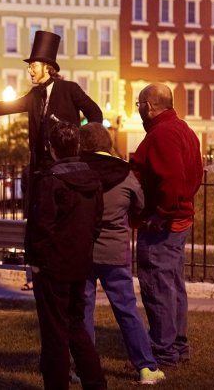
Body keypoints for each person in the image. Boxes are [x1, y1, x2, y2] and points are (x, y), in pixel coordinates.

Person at [0, 30, 103, 202]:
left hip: (67, 164)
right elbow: (10, 105)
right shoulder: (35, 94)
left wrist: (84, 143)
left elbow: (95, 112)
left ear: (47, 68)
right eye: (29, 67)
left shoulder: (69, 89)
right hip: (42, 166)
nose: (29, 70)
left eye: (33, 66)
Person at [79, 123, 165, 385]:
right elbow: (139, 205)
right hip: (115, 251)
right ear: (107, 143)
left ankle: (84, 366)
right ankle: (146, 367)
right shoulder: (125, 174)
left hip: (82, 252)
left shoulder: (76, 171)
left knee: (83, 310)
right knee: (126, 309)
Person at [26, 121, 106, 390]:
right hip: (79, 263)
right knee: (75, 325)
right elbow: (96, 223)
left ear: (51, 148)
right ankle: (95, 382)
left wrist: (36, 261)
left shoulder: (51, 180)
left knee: (55, 333)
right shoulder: (92, 180)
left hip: (53, 266)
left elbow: (42, 225)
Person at [131, 83, 203, 368]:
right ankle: (177, 346)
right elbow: (194, 175)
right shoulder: (183, 129)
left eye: (138, 104)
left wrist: (161, 213)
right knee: (172, 285)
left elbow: (171, 180)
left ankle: (163, 352)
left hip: (163, 225)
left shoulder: (162, 134)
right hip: (179, 221)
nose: (137, 109)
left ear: (149, 106)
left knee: (158, 287)